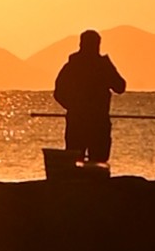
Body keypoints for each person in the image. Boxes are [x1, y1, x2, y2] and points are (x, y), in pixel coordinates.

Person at [52, 28, 127, 172]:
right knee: (88, 161)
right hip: (93, 121)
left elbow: (120, 87)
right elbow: (120, 86)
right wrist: (73, 107)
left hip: (86, 121)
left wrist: (72, 107)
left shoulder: (75, 66)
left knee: (86, 161)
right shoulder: (99, 66)